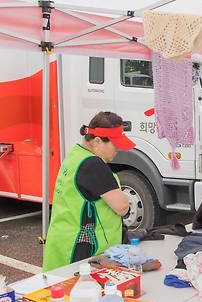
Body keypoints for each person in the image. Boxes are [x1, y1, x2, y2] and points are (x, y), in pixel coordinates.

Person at [43, 111, 136, 272]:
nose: (118, 150)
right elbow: (122, 207)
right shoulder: (93, 165)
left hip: (62, 240)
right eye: (115, 145)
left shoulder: (75, 155)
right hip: (82, 249)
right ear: (97, 141)